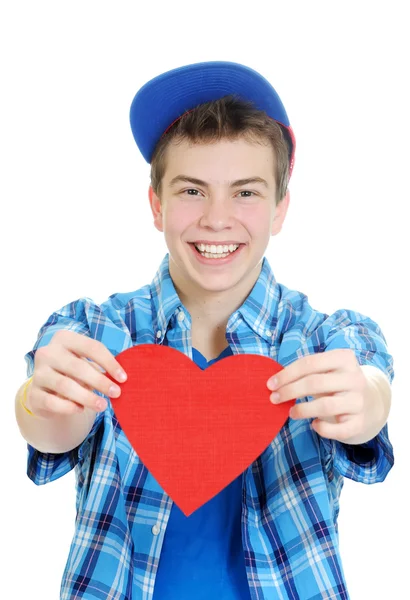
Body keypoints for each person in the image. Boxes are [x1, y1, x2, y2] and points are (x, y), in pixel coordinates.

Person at [15, 61, 393, 600]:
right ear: (157, 205)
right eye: (192, 191)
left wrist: (367, 403)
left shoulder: (322, 340)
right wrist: (42, 398)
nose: (218, 218)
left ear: (280, 208)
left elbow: (373, 385)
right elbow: (47, 425)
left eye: (246, 192)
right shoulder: (96, 330)